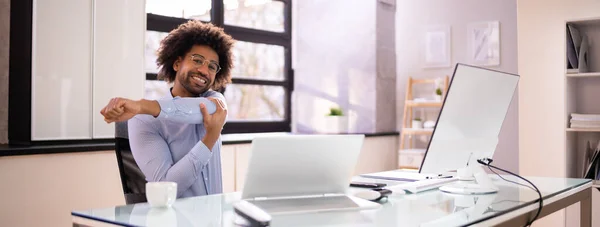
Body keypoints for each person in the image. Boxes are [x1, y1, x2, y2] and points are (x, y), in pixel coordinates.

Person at [100, 20, 235, 198]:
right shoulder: (143, 120)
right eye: (197, 60)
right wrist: (209, 140)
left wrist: (141, 105)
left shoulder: (215, 102)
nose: (204, 70)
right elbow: (168, 187)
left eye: (212, 66)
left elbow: (198, 110)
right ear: (177, 63)